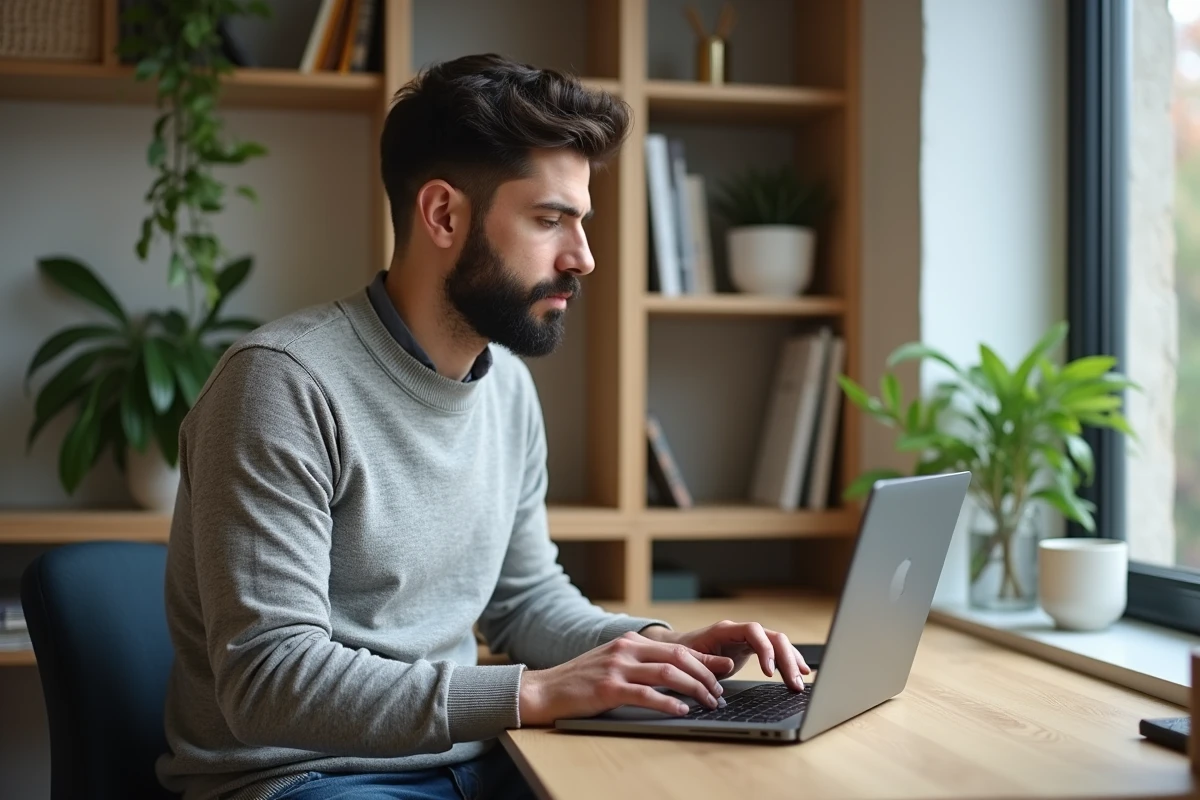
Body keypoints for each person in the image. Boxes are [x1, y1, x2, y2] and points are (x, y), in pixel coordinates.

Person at [156, 53, 811, 800]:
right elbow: (269, 679)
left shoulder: (507, 392)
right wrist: (529, 695)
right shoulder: (281, 385)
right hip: (301, 778)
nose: (584, 258)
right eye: (548, 220)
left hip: (472, 756)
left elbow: (524, 601)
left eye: (581, 222)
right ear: (443, 215)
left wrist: (652, 648)